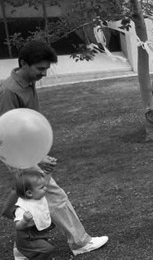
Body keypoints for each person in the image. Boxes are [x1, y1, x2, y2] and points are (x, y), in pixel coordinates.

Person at [0, 41, 108, 257]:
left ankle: (23, 249)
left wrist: (38, 152)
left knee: (34, 200)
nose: (44, 74)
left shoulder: (27, 82)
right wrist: (36, 159)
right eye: (40, 69)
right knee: (52, 197)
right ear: (23, 63)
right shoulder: (9, 91)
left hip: (27, 151)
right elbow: (7, 134)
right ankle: (79, 242)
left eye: (46, 69)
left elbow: (25, 126)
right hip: (18, 153)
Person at [13, 169, 55, 260]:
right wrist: (24, 220)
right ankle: (23, 252)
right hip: (28, 238)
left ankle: (22, 254)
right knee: (47, 250)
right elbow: (18, 226)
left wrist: (49, 171)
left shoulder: (37, 196)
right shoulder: (23, 208)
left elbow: (44, 181)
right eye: (42, 187)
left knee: (44, 247)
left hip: (37, 234)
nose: (45, 188)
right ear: (29, 193)